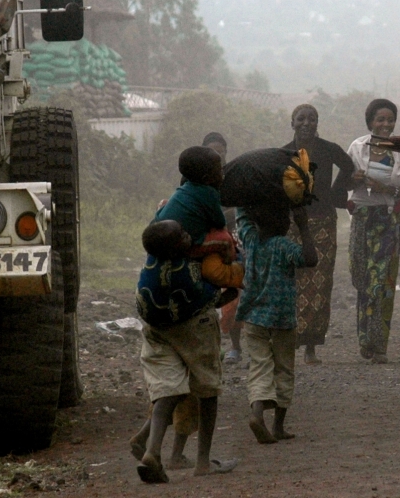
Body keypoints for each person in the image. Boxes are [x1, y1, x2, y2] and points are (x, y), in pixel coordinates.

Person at [130, 220, 239, 484]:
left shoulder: (152, 263)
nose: (188, 235)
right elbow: (212, 297)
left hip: (156, 330)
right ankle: (203, 462)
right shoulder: (186, 271)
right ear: (176, 248)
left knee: (168, 389)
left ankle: (152, 450)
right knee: (207, 388)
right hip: (194, 329)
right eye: (182, 236)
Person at [345, 99, 400, 364]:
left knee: (382, 283)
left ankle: (380, 346)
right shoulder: (357, 147)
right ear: (370, 122)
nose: (386, 124)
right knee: (362, 279)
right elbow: (344, 182)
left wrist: (386, 190)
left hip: (388, 221)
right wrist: (354, 181)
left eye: (390, 119)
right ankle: (365, 340)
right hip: (361, 220)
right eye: (380, 119)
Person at [236, 203, 317, 443]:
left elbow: (242, 216)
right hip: (282, 319)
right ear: (285, 223)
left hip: (253, 318)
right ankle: (278, 426)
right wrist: (303, 227)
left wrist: (248, 200)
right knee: (284, 368)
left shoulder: (250, 239)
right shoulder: (283, 245)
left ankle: (257, 413)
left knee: (259, 366)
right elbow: (310, 259)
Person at [283, 104, 355, 365]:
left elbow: (349, 167)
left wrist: (336, 194)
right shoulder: (284, 153)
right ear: (292, 123)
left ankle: (311, 346)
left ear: (317, 123)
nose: (306, 123)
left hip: (324, 222)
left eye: (312, 119)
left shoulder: (329, 149)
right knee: (294, 281)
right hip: (293, 223)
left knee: (320, 283)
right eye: (301, 119)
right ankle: (290, 341)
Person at [202, 132, 245, 364]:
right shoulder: (198, 182)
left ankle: (237, 347)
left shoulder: (235, 178)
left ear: (227, 152)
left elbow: (241, 208)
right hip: (208, 246)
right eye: (212, 152)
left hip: (236, 241)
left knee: (235, 296)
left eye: (221, 151)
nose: (218, 156)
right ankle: (217, 346)